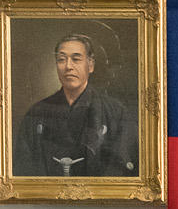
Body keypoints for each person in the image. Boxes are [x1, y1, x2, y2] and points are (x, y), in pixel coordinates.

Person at [16, 34, 136, 178]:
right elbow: (24, 166)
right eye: (61, 60)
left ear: (90, 65)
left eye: (76, 59)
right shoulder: (36, 113)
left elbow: (122, 165)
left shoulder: (115, 112)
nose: (68, 66)